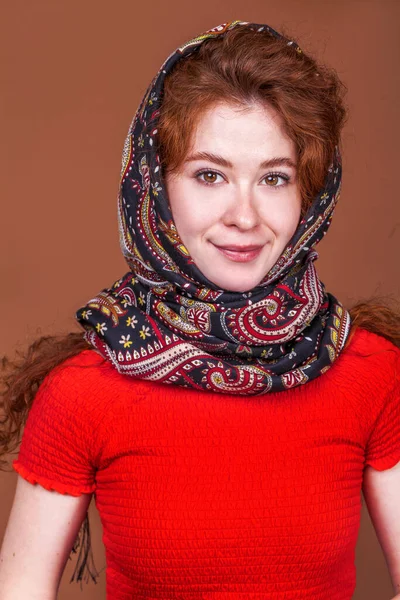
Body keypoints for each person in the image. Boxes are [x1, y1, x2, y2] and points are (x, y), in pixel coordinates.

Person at [0, 19, 399, 600]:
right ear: (155, 188)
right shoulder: (80, 394)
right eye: (209, 175)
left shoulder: (373, 372)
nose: (244, 214)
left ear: (311, 195)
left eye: (274, 177)